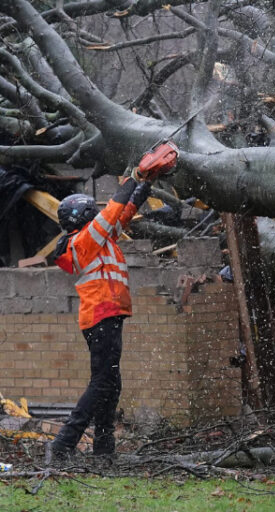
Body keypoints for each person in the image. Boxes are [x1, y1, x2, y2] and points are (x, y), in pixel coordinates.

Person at [45, 174, 152, 463]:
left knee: (110, 382)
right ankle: (62, 445)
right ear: (84, 215)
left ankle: (104, 451)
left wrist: (145, 187)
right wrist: (134, 178)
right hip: (101, 316)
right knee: (103, 381)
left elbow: (122, 215)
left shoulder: (97, 238)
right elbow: (111, 213)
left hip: (109, 316)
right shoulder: (84, 241)